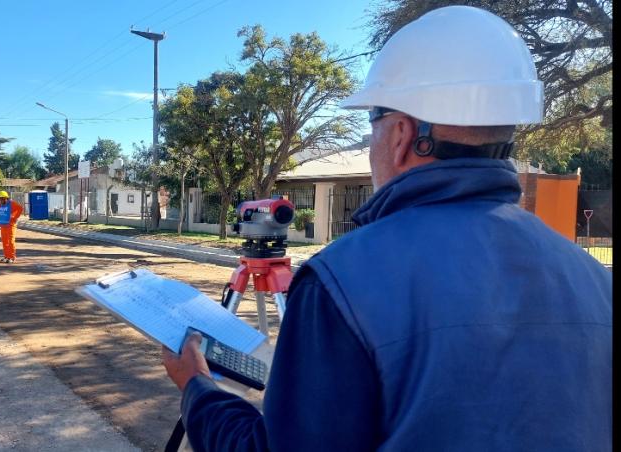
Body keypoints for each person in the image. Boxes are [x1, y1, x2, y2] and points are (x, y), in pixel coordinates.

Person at [162, 6, 611, 451]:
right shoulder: (597, 281)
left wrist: (197, 388)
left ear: (400, 134)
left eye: (371, 121)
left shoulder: (342, 283)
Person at [0, 191, 23, 263]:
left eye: (1, 199)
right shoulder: (0, 205)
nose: (0, 200)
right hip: (3, 225)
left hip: (10, 225)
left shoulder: (11, 203)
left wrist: (15, 217)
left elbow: (20, 208)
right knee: (4, 242)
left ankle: (12, 257)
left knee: (10, 242)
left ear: (5, 198)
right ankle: (7, 256)